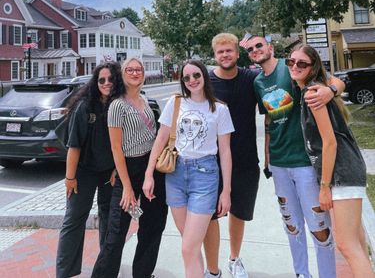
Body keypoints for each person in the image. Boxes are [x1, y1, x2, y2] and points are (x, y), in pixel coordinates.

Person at [247, 35, 345, 278]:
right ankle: (302, 273)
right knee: (291, 226)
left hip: (305, 163)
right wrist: (267, 158)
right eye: (250, 49)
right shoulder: (258, 82)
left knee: (319, 230)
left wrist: (330, 91)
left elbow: (333, 81)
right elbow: (270, 120)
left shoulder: (291, 65)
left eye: (259, 45)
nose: (256, 50)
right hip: (280, 165)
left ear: (269, 47)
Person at [288, 44, 374, 278]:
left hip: (342, 173)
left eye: (302, 63)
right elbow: (336, 81)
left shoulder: (312, 93)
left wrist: (325, 187)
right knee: (357, 244)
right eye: (291, 62)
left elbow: (329, 142)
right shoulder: (316, 88)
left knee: (348, 246)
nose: (295, 66)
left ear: (312, 67)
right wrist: (332, 88)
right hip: (348, 169)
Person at [143, 60, 233, 278]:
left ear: (204, 76)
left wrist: (226, 191)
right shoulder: (175, 104)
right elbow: (160, 140)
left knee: (187, 247)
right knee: (189, 246)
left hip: (205, 175)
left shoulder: (219, 109)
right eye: (186, 77)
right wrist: (148, 175)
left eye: (196, 75)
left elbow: (225, 152)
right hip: (175, 174)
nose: (192, 80)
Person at [91, 57, 168, 278]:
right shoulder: (117, 105)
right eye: (130, 70)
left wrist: (150, 172)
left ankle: (143, 273)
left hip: (152, 170)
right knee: (115, 233)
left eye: (139, 69)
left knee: (153, 227)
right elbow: (116, 149)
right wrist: (126, 187)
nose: (135, 73)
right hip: (129, 171)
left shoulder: (147, 101)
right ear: (123, 74)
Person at [56, 62, 123, 278]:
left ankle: (105, 269)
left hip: (108, 173)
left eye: (110, 79)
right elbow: (73, 146)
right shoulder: (84, 106)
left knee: (108, 219)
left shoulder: (118, 105)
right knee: (75, 218)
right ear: (95, 82)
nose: (106, 83)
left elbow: (120, 145)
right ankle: (65, 272)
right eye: (101, 80)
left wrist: (116, 169)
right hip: (83, 171)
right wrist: (70, 178)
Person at [203, 33, 260, 278]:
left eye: (229, 50)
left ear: (238, 53)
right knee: (210, 214)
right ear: (214, 55)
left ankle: (234, 260)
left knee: (238, 212)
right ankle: (212, 269)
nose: (225, 55)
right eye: (220, 52)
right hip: (211, 162)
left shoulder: (252, 79)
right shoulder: (205, 82)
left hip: (245, 159)